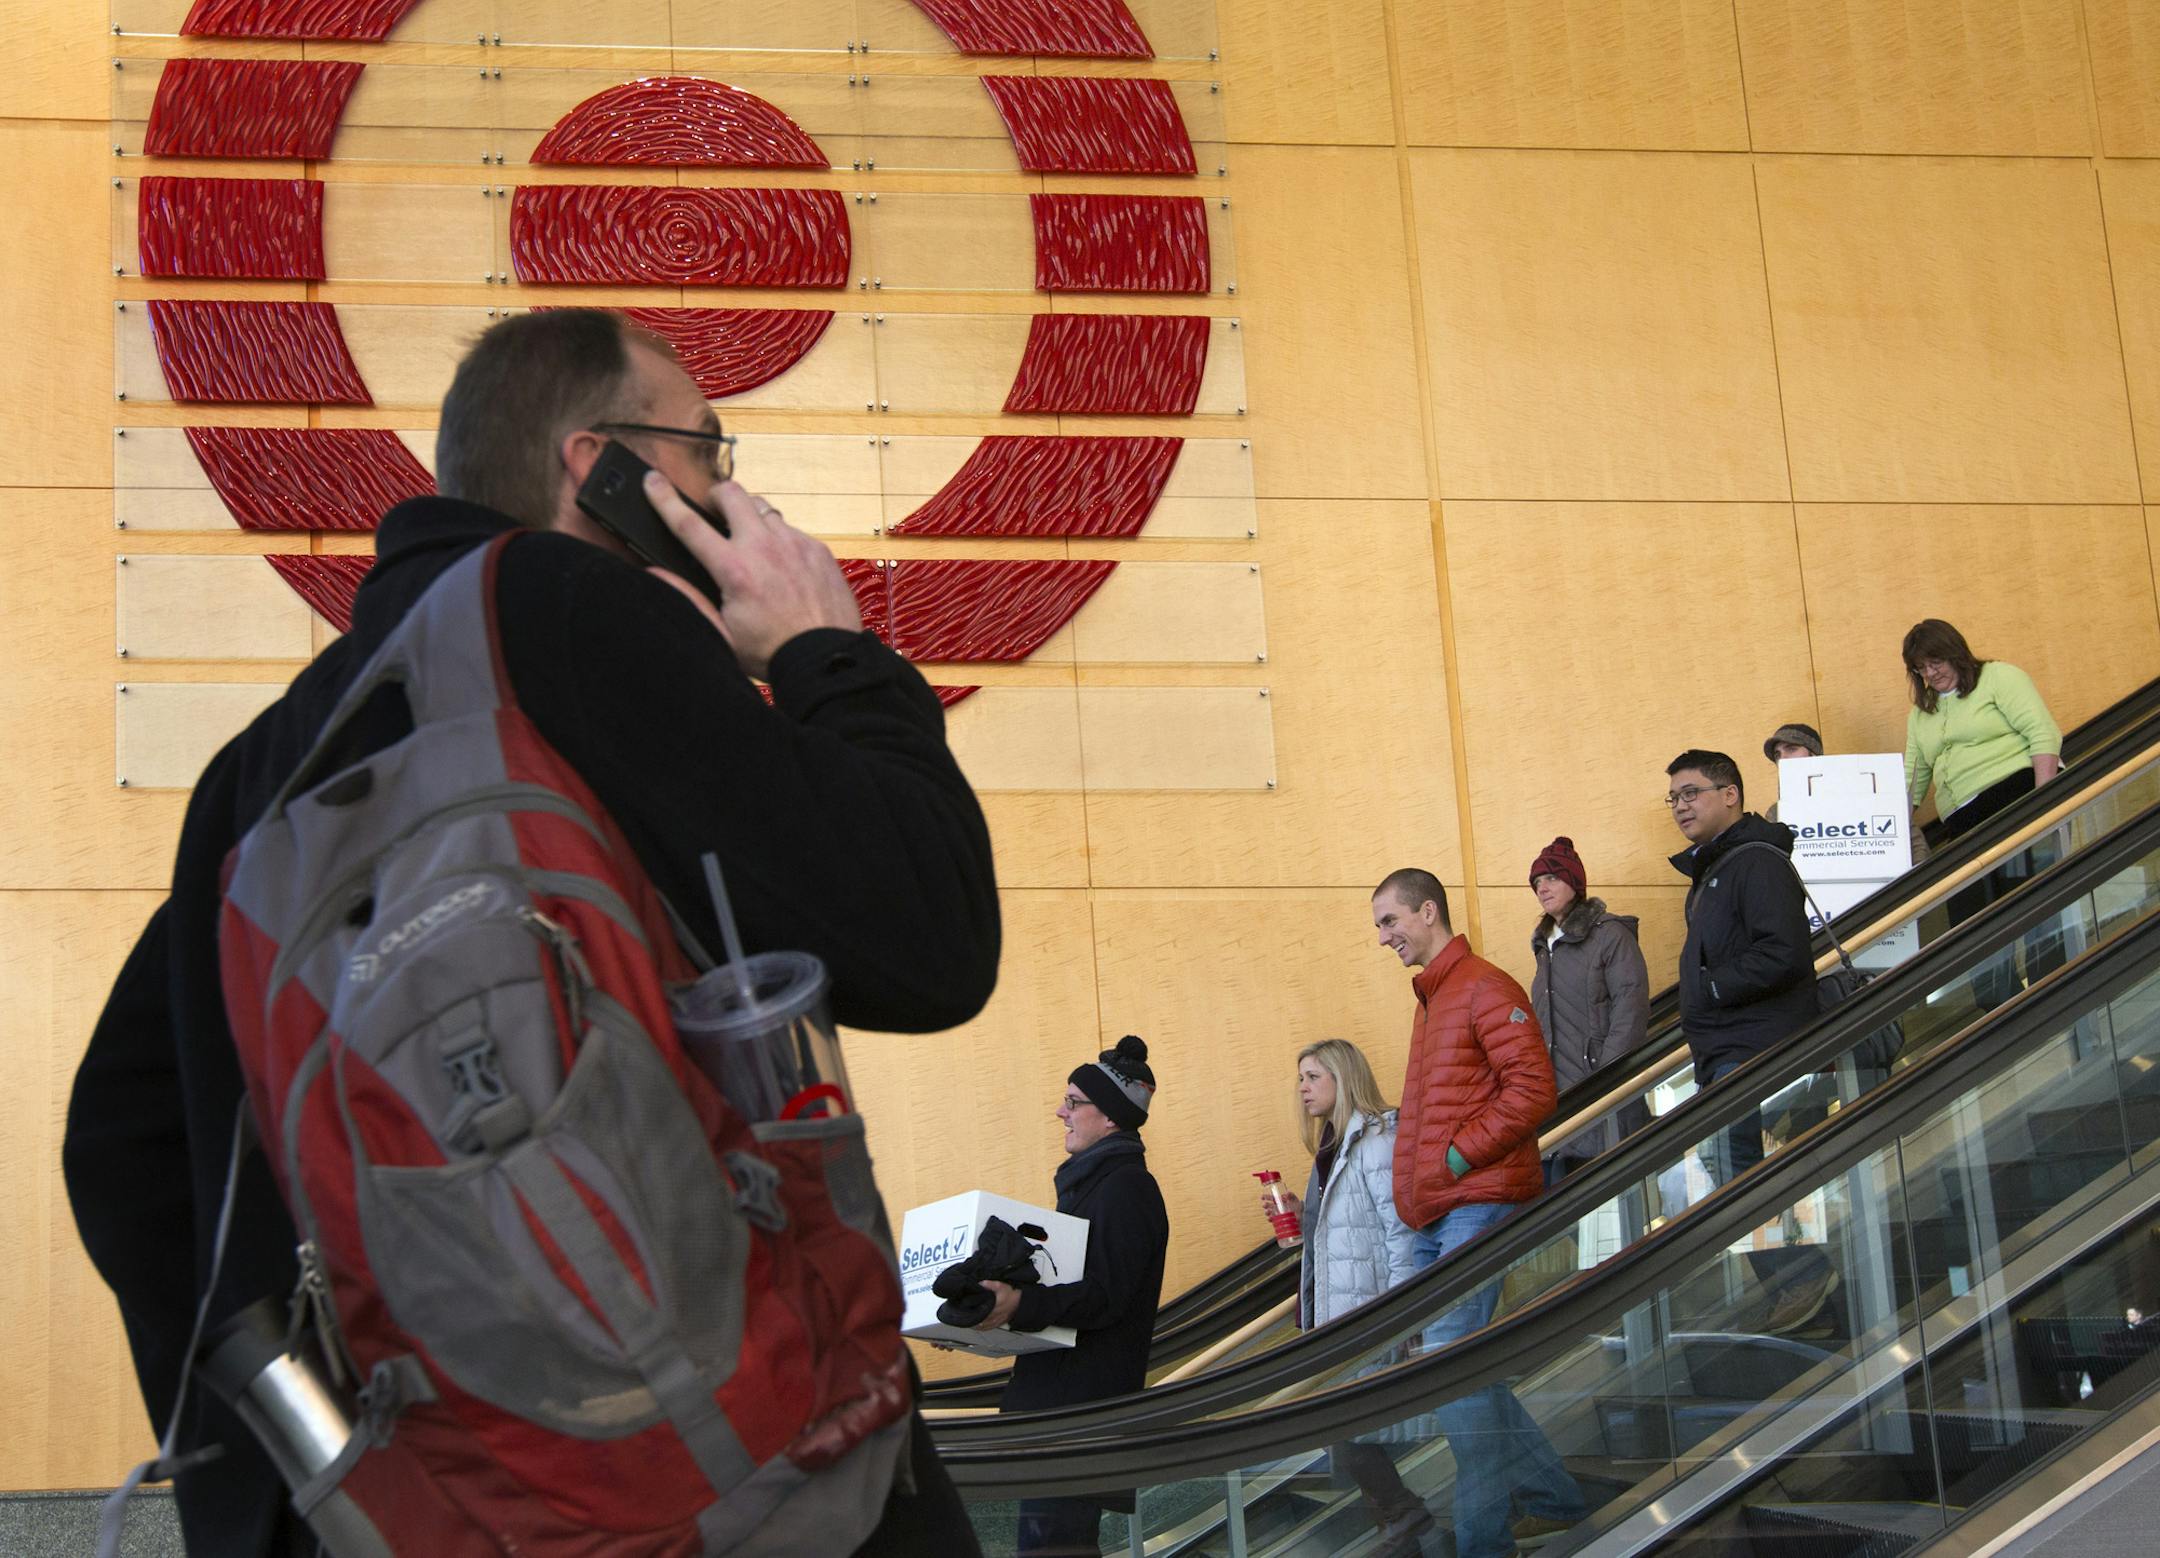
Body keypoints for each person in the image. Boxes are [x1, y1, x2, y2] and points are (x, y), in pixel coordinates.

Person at [63, 310, 1003, 1557]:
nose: (734, 488)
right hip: (754, 1488)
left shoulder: (265, 765)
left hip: (452, 1505)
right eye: (708, 449)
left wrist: (289, 1500)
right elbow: (929, 933)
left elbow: (123, 1137)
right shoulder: (570, 607)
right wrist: (826, 646)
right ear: (595, 466)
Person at [1372, 869, 1587, 1558]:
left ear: (1428, 911)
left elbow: (1532, 1089)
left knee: (1452, 1375)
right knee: (1463, 1374)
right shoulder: (1433, 999)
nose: (1383, 938)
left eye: (1389, 921)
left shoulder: (1482, 985)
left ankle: (1483, 1545)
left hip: (1476, 1199)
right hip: (1440, 1208)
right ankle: (1556, 1500)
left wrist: (1457, 1162)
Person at [979, 1036, 1170, 1557]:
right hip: (1059, 1414)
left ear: (1109, 1116)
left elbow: (1102, 1296)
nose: (1060, 1111)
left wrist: (1017, 1306)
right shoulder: (1092, 1185)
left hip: (1077, 1421)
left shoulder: (1126, 1187)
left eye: (1073, 1101)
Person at [1263, 1040, 1428, 1554]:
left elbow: (1401, 1232)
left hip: (1369, 1310)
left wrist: (1404, 1315)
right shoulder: (1332, 1146)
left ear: (1342, 1076)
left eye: (1313, 1076)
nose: (1303, 1088)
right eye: (1301, 1079)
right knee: (1344, 1429)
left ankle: (1404, 1519)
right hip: (1339, 1313)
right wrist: (1298, 1210)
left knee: (1348, 1430)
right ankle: (1400, 1525)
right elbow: (1336, 1233)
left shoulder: (1377, 1141)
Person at [1664, 750, 1816, 1184]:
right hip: (1724, 1055)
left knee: (1747, 1195)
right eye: (1673, 798)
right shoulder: (1715, 868)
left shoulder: (1757, 861)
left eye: (1691, 793)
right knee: (1739, 1188)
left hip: (1754, 1053)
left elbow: (1784, 951)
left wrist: (1710, 988)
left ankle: (1789, 1255)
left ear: (1730, 794)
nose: (1680, 806)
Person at [1903, 618, 2065, 1008]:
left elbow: (2043, 734)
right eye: (1920, 668)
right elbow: (1911, 781)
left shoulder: (1999, 677)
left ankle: (2053, 1001)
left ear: (1955, 651)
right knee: (1972, 925)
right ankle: (2000, 1014)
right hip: (1961, 826)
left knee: (2034, 906)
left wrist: (2044, 808)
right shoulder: (1920, 715)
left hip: (2015, 802)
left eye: (1936, 661)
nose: (1931, 673)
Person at [1527, 837, 1651, 1184]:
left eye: (1551, 878)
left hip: (1601, 1099)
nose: (1542, 888)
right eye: (1536, 882)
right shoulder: (1545, 948)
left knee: (1615, 1206)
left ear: (1574, 882)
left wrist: (1603, 1079)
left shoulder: (1610, 935)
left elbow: (1631, 1009)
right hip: (1558, 1110)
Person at [1761, 722, 1824, 825]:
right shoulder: (1776, 813)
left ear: (1814, 755)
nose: (1782, 759)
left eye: (1791, 749)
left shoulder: (1846, 799)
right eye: (1777, 755)